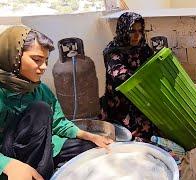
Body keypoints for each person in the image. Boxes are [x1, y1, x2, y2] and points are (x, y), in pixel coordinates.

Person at [0, 25, 113, 180]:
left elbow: (58, 122)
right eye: (36, 60)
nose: (44, 67)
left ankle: (39, 170)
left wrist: (89, 136)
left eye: (46, 60)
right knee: (40, 110)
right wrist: (7, 164)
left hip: (38, 147)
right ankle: (33, 173)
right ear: (14, 56)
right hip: (8, 156)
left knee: (92, 148)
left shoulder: (40, 89)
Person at [100, 12, 160, 142]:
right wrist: (143, 79)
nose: (137, 36)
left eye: (140, 31)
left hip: (142, 100)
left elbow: (154, 66)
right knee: (131, 138)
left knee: (157, 129)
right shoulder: (112, 51)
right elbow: (119, 74)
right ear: (123, 30)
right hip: (120, 105)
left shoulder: (143, 48)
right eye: (132, 31)